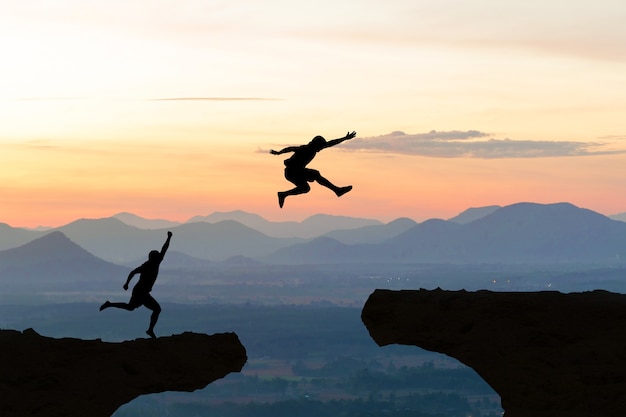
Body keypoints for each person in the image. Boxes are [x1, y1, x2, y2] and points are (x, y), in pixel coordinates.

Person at [100, 231, 172, 339]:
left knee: (131, 307)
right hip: (140, 292)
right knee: (156, 309)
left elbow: (164, 249)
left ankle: (110, 304)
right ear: (153, 258)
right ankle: (150, 330)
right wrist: (127, 283)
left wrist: (168, 238)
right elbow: (133, 272)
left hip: (141, 291)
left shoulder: (154, 263)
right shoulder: (147, 266)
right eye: (157, 257)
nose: (159, 258)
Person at [270, 131, 356, 208]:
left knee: (305, 188)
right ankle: (337, 190)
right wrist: (279, 152)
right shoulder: (305, 149)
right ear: (315, 144)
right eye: (320, 147)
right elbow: (291, 148)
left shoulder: (314, 149)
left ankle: (283, 194)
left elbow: (330, 143)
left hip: (296, 172)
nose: (320, 149)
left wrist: (345, 138)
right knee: (315, 174)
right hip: (291, 172)